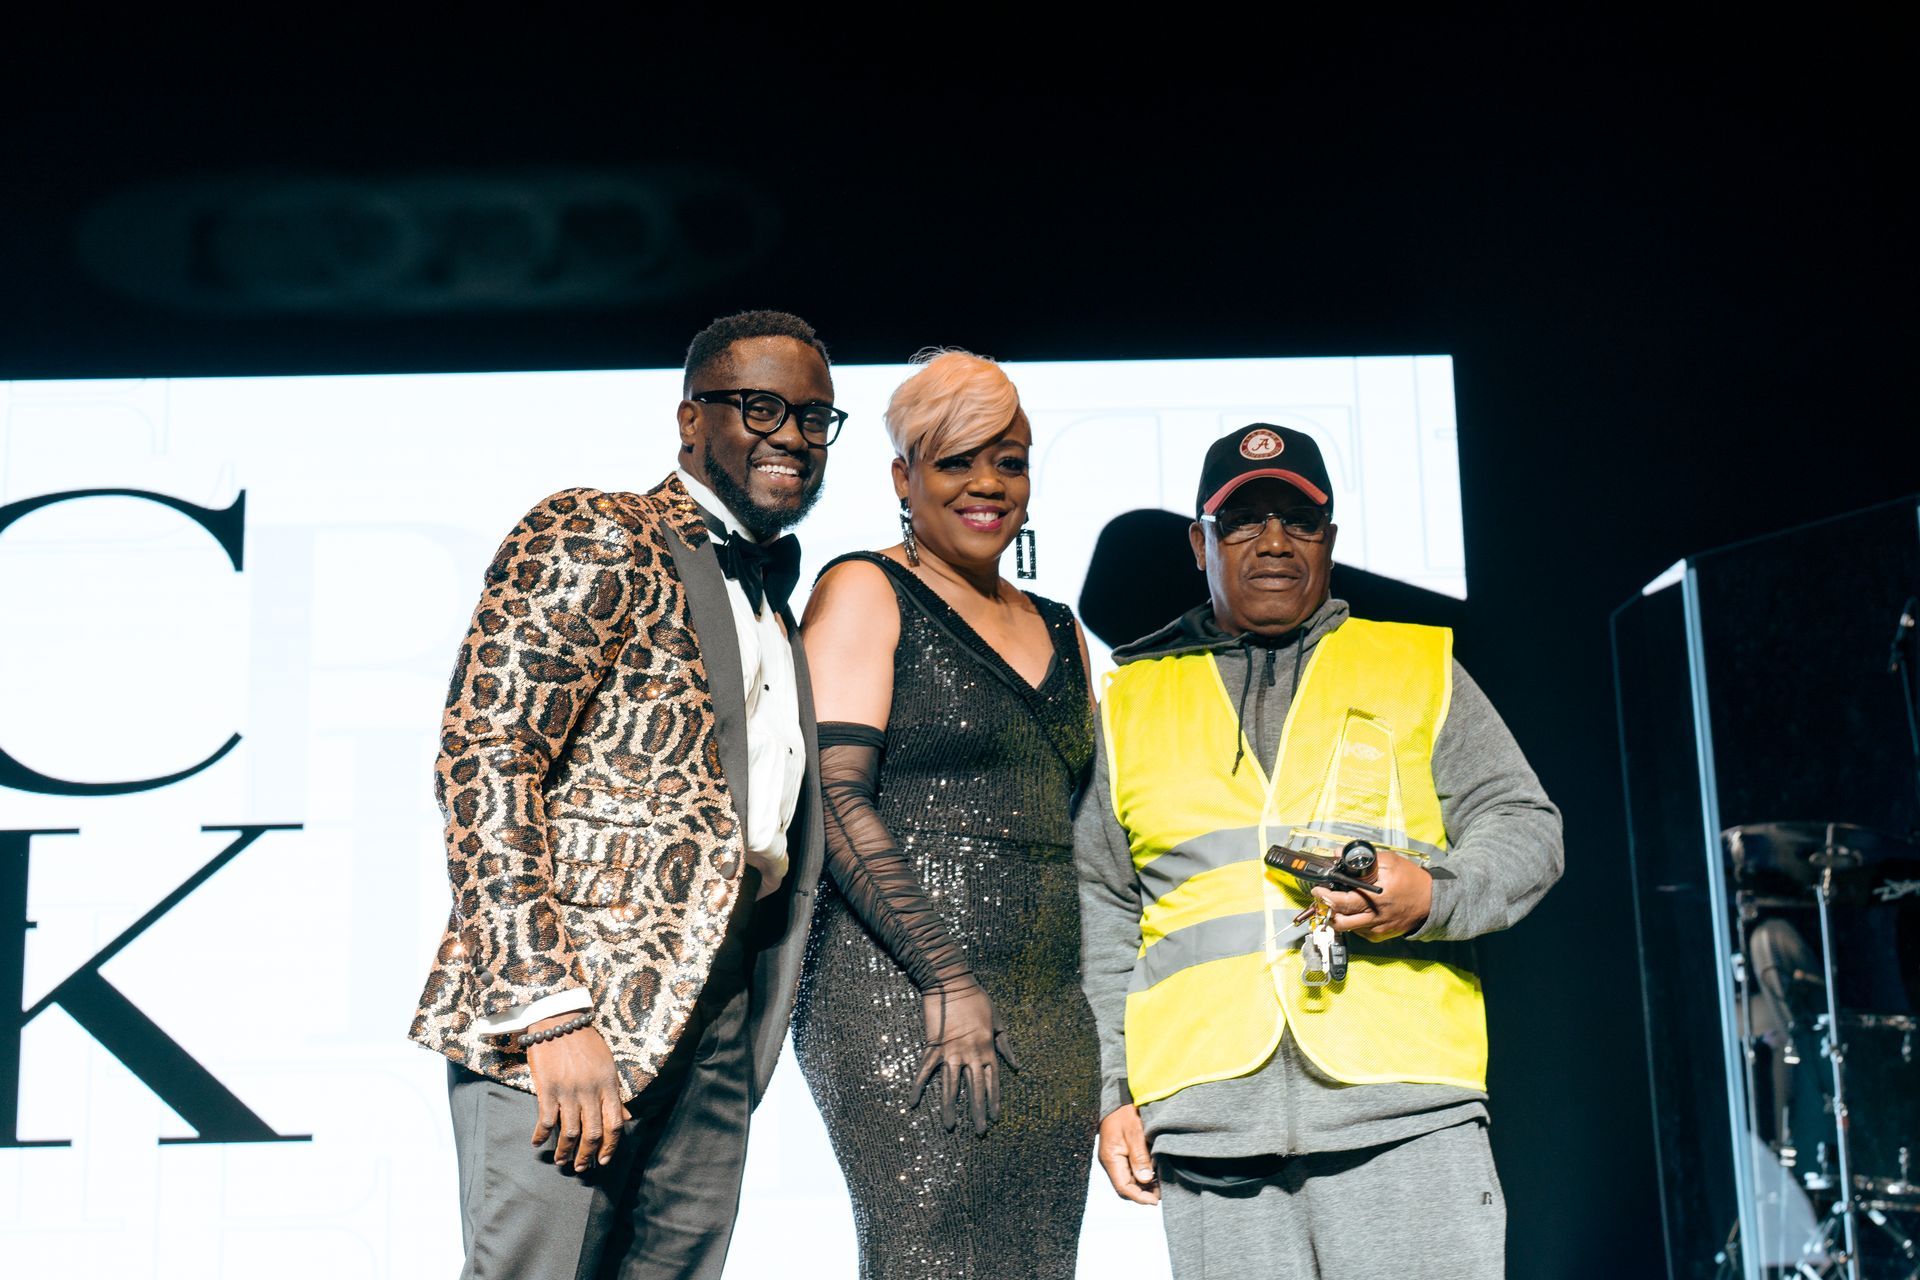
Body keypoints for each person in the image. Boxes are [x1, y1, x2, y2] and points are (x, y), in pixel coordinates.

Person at [409, 309, 843, 1279]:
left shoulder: (774, 599)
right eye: (761, 407)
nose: (793, 437)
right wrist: (550, 1012)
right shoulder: (600, 527)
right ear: (692, 422)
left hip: (718, 1015)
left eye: (816, 418)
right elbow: (487, 753)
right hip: (572, 1015)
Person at [1075, 423, 1564, 1279]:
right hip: (1211, 1130)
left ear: (1329, 542)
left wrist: (1434, 896)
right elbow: (1102, 911)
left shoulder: (1415, 664)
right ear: (1200, 542)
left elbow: (1525, 826)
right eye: (1242, 520)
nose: (1272, 542)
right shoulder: (1129, 699)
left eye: (1297, 521)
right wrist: (1114, 1093)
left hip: (1404, 1115)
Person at [791, 350, 1098, 1278]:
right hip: (906, 990)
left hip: (1049, 1002)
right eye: (958, 460)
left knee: (1037, 1261)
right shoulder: (864, 589)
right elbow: (833, 797)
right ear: (902, 477)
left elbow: (1081, 822)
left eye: (1010, 460)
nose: (988, 484)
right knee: (931, 1256)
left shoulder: (1061, 627)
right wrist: (947, 976)